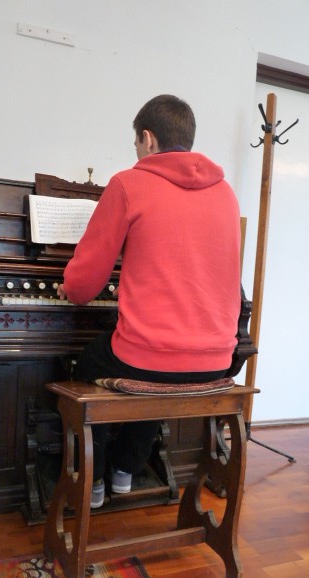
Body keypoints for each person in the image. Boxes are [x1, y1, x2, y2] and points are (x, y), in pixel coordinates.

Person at [57, 94, 242, 508]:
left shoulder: (128, 184)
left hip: (151, 359)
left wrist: (68, 286)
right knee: (158, 366)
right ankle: (127, 468)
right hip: (216, 358)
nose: (137, 153)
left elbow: (84, 287)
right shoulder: (226, 193)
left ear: (148, 138)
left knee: (89, 365)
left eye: (136, 144)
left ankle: (94, 479)